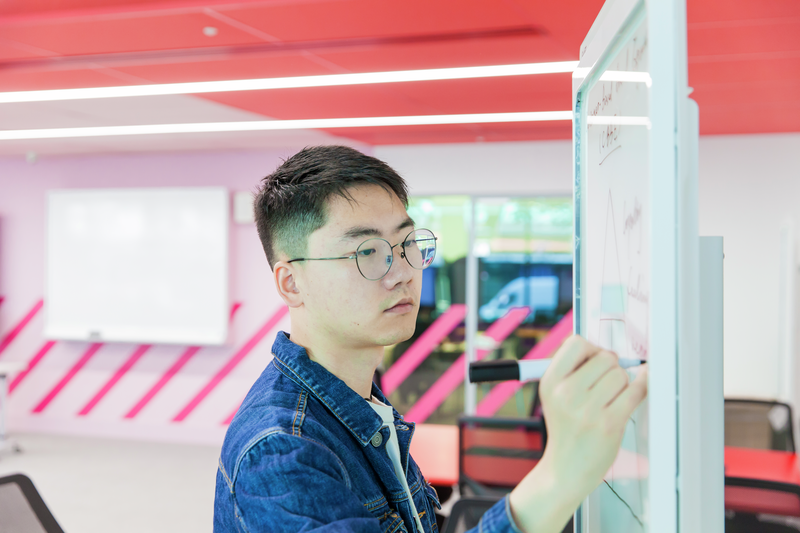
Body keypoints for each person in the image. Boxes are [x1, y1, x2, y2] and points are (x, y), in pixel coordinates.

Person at [213, 145, 648, 533]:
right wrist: (559, 475)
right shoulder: (283, 452)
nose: (403, 272)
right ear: (291, 283)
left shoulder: (361, 404)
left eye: (406, 244)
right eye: (368, 252)